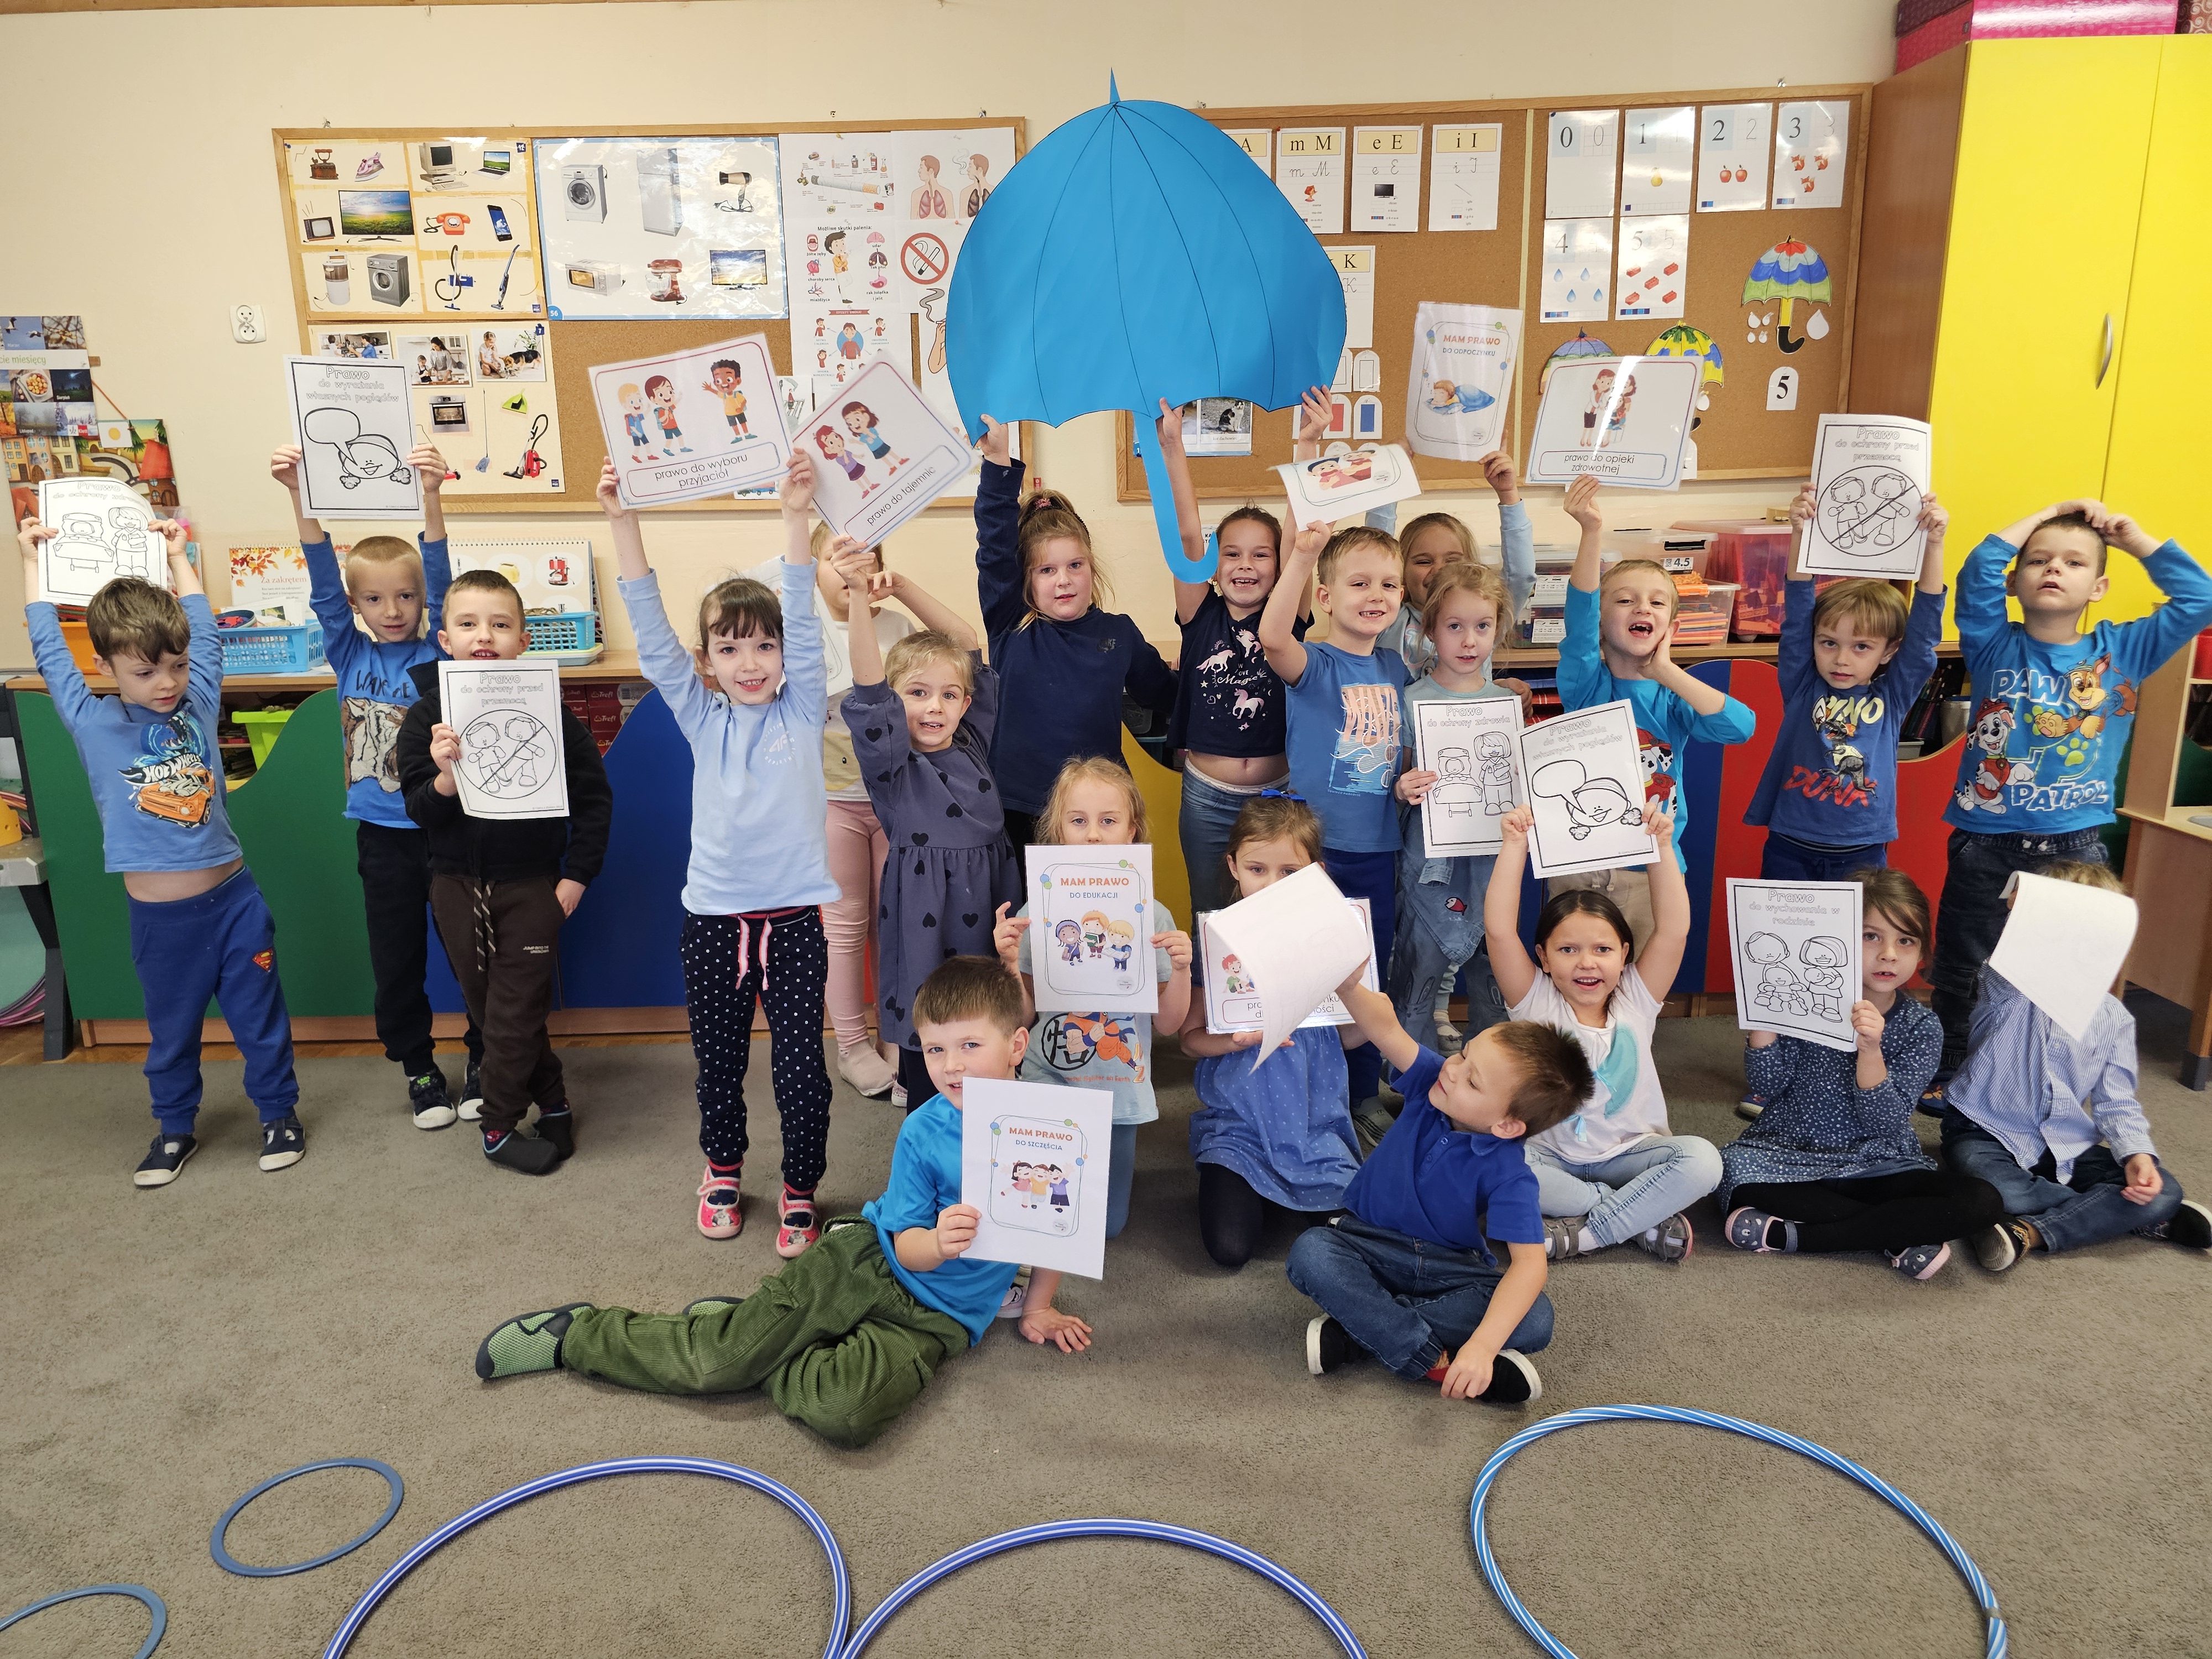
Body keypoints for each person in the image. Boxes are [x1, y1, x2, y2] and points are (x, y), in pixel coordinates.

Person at [471, 957, 1093, 1447]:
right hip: (871, 1261)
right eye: (935, 1050)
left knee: (846, 1416)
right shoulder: (923, 1131)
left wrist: (1039, 1306)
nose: (950, 1066)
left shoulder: (1054, 1125)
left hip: (939, 1320)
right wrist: (937, 1243)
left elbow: (1056, 1229)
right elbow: (907, 1245)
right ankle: (577, 1336)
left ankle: (756, 1333)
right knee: (716, 1365)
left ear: (1017, 1045)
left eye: (970, 1046)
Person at [19, 515, 305, 1187]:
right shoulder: (92, 721)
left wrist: (179, 558)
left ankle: (279, 1115)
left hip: (236, 905)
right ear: (106, 668)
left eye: (175, 666)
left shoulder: (197, 704)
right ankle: (175, 1128)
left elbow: (205, 632)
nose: (166, 682)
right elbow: (48, 651)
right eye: (146, 672)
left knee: (259, 1022)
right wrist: (32, 564)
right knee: (172, 1032)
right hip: (161, 922)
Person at [596, 454, 833, 1247]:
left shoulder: (802, 709)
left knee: (801, 1075)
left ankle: (800, 1187)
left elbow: (803, 615)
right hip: (713, 925)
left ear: (784, 653)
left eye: (764, 646)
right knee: (718, 1065)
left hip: (795, 926)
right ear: (708, 661)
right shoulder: (703, 717)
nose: (750, 663)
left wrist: (795, 517)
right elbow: (654, 637)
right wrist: (623, 521)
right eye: (730, 650)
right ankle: (723, 1170)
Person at [1927, 498, 2212, 1097]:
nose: (2054, 568)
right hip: (1985, 841)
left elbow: (2199, 599)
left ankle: (2034, 1079)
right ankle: (1952, 1072)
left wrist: (2135, 540)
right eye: (2038, 560)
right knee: (1963, 966)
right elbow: (1978, 570)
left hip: (2074, 846)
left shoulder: (2123, 650)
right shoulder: (1991, 642)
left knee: (2057, 975)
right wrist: (2047, 514)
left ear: (2099, 587)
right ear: (2015, 582)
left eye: (2074, 562)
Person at [274, 439, 482, 1129]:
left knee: (470, 953)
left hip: (446, 829)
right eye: (374, 598)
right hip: (382, 839)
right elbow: (321, 584)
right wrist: (299, 496)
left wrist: (432, 496)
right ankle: (419, 1067)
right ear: (356, 604)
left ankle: (484, 1056)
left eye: (405, 596)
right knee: (397, 962)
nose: (392, 609)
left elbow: (443, 576)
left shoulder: (438, 651)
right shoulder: (348, 650)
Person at [1285, 971, 1593, 1402]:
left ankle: (1361, 1333)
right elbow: (1386, 1028)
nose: (1453, 1070)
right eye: (1463, 1053)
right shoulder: (1431, 1080)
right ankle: (1432, 1361)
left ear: (1506, 1125)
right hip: (1369, 1243)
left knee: (1536, 1319)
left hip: (1450, 1269)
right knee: (1311, 1252)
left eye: (1473, 1081)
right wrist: (1349, 987)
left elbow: (1530, 1267)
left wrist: (1483, 1347)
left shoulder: (1512, 1176)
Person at [395, 568, 612, 1177]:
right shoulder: (425, 718)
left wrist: (576, 877)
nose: (484, 635)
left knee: (515, 1009)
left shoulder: (553, 715)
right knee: (495, 1010)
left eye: (500, 624)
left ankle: (496, 1125)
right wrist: (445, 776)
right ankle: (555, 1101)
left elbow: (594, 800)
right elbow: (418, 810)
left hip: (531, 885)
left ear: (523, 641)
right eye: (468, 624)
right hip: (455, 887)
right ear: (446, 640)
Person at [1720, 869, 2005, 1281]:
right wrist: (1762, 1020)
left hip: (1879, 1164)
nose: (1888, 954)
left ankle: (1799, 1237)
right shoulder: (1803, 1002)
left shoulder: (1922, 1026)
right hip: (1788, 1153)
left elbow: (1884, 1122)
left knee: (1981, 1201)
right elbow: (1768, 1086)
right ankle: (1897, 1233)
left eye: (1905, 941)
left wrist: (1870, 1050)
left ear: (1921, 954)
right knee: (1730, 1175)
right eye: (1871, 936)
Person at [1940, 861, 2211, 1265]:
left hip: (2066, 1145)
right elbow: (2010, 943)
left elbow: (2117, 1101)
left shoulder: (2113, 1018)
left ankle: (2030, 1232)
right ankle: (2127, 1216)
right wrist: (2027, 906)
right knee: (2000, 1191)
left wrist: (2137, 1157)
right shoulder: (2008, 988)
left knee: (2164, 1189)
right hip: (1984, 1133)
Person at [1485, 800, 1720, 1261]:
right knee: (1488, 1163)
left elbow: (1674, 931)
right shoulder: (1535, 1001)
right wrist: (1514, 845)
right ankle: (1634, 1216)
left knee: (1704, 1161)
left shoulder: (1636, 998)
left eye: (1603, 950)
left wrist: (1663, 845)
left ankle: (1588, 1233)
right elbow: (1499, 932)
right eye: (1568, 950)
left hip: (1630, 1156)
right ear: (1544, 958)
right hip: (1548, 1156)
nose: (1587, 963)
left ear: (1625, 954)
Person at [833, 537, 1019, 1113]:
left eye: (947, 695)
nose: (934, 707)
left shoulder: (971, 739)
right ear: (895, 706)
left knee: (987, 1023)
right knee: (931, 1027)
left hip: (989, 901)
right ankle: (925, 1121)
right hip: (925, 919)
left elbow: (966, 642)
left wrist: (904, 589)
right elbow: (869, 686)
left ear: (965, 703)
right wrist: (859, 597)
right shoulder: (892, 764)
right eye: (917, 694)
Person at [993, 757, 1192, 1242]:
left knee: (1105, 1226)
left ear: (1132, 831)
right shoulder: (1038, 910)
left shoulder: (1153, 916)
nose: (1094, 836)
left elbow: (1169, 1025)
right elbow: (1024, 1016)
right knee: (1039, 1209)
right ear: (1058, 832)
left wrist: (1183, 969)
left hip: (1117, 1088)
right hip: (1049, 1076)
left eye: (1109, 821)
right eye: (1078, 821)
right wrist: (1008, 963)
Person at [1553, 475, 1755, 955]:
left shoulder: (1674, 699)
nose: (1641, 607)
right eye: (1625, 600)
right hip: (1584, 862)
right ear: (1602, 623)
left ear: (1672, 626)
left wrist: (1665, 669)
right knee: (1574, 979)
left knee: (1645, 978)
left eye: (1656, 602)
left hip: (1655, 866)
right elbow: (1579, 620)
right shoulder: (1587, 685)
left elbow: (1740, 727)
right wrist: (1591, 532)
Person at [1152, 390, 1324, 918]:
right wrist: (1174, 448)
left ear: (1278, 567)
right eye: (1231, 554)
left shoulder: (1285, 617)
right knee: (1211, 914)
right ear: (1214, 564)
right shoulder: (1200, 612)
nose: (1245, 565)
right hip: (1207, 796)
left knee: (1278, 918)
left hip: (1277, 796)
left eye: (1260, 555)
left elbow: (1300, 539)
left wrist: (1308, 444)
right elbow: (1187, 534)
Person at [1259, 514, 1407, 1119]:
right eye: (1359, 583)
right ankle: (1307, 1092)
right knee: (1306, 973)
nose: (1376, 596)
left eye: (1388, 585)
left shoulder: (1397, 669)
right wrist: (1301, 556)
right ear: (1324, 597)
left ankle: (1362, 1095)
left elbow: (1404, 751)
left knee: (1367, 977)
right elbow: (1273, 639)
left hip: (1377, 851)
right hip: (1314, 854)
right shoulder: (1316, 663)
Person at [974, 414, 1176, 847]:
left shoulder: (1119, 634)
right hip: (1018, 807)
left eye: (1075, 566)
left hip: (1094, 816)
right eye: (1046, 570)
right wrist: (997, 463)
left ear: (1091, 568)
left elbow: (1169, 696)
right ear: (1026, 579)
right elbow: (994, 549)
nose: (1063, 580)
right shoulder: (1011, 623)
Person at [1176, 794, 1360, 1269]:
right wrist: (1232, 1041)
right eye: (1257, 869)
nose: (1273, 886)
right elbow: (1189, 1040)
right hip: (1239, 1129)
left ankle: (1290, 1191)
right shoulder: (1215, 943)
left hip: (1315, 1125)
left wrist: (1356, 989)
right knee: (1229, 1249)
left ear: (1316, 873)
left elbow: (1352, 1039)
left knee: (1357, 1239)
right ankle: (1254, 1187)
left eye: (1290, 873)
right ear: (1233, 867)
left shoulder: (1334, 939)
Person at [1747, 483, 1949, 884]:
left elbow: (1924, 634)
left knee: (1858, 928)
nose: (1842, 659)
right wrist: (1800, 533)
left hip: (1863, 848)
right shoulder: (1803, 684)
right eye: (1829, 643)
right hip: (1791, 844)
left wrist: (1934, 545)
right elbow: (1798, 612)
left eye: (1861, 647)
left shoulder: (1892, 696)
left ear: (1888, 652)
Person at [1389, 562, 1521, 1074]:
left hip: (1493, 863)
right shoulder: (1410, 700)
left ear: (1498, 628)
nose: (1470, 641)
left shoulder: (1506, 704)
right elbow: (1394, 782)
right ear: (1430, 629)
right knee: (1420, 964)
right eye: (1454, 626)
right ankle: (1412, 1076)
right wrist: (1402, 788)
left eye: (1483, 626)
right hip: (1430, 864)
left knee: (1495, 967)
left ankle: (1493, 1074)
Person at [1374, 456, 1536, 685]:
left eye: (1452, 562)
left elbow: (1521, 577)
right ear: (1400, 572)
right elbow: (1372, 559)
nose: (1439, 571)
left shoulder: (1482, 617)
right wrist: (1388, 481)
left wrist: (1508, 494)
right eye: (1423, 562)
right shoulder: (1386, 617)